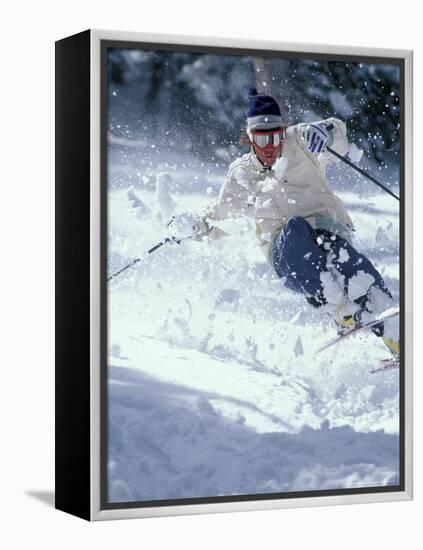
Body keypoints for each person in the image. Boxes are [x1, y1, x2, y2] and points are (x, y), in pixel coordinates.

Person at [167, 88, 399, 358]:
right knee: (296, 229)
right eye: (262, 140)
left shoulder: (299, 142)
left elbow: (338, 137)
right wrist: (194, 225)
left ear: (283, 132)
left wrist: (326, 133)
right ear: (250, 138)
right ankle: (339, 309)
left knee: (351, 266)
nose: (270, 148)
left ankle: (396, 336)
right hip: (286, 255)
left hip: (328, 230)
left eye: (276, 138)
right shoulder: (241, 174)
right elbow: (219, 213)